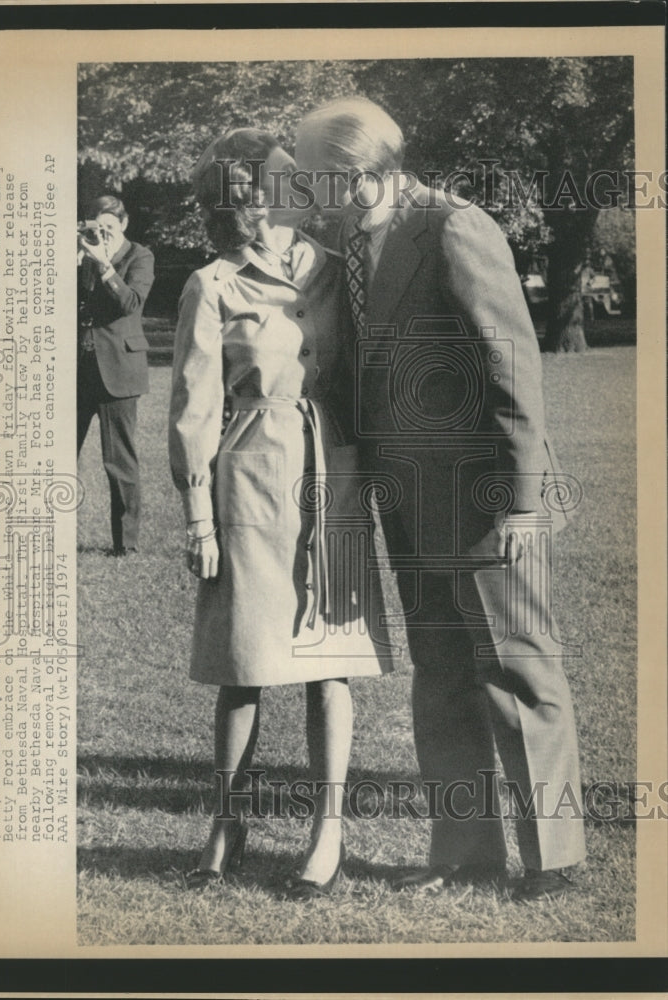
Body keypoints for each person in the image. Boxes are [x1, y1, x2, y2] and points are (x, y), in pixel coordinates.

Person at [296, 97, 586, 902]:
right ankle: (463, 853)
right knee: (443, 677)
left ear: (352, 175)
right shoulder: (347, 243)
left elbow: (511, 366)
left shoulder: (454, 226)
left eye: (311, 173)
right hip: (408, 501)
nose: (302, 189)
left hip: (488, 500)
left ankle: (553, 861)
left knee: (516, 673)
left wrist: (521, 500)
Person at [168, 128, 392, 899]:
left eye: (270, 186)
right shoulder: (212, 285)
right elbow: (193, 409)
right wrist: (198, 515)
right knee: (245, 663)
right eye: (244, 194)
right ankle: (226, 819)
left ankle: (326, 831)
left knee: (329, 662)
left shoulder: (339, 272)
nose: (261, 203)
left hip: (334, 478)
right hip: (249, 480)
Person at [77, 195, 155, 555]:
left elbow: (130, 304)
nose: (102, 233)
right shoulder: (84, 253)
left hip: (119, 371)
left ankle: (126, 545)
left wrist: (104, 265)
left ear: (124, 225)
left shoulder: (140, 256)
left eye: (109, 227)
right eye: (96, 227)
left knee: (119, 461)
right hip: (79, 368)